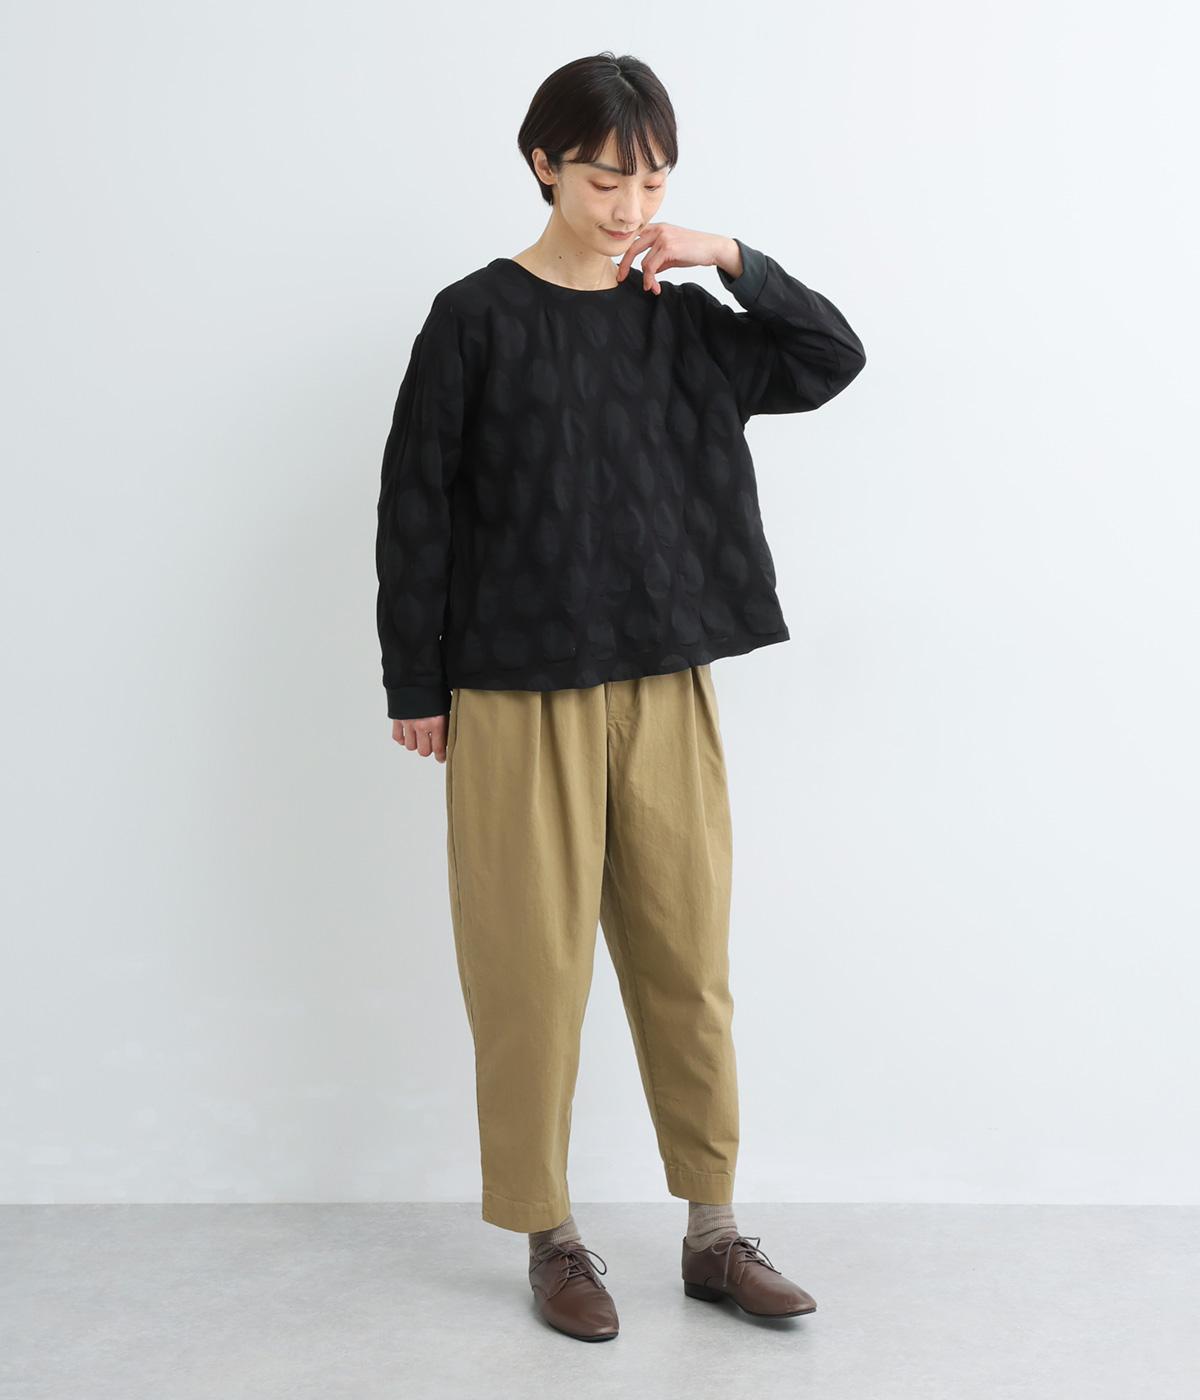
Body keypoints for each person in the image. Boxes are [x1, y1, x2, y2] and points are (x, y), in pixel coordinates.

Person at [375, 51, 866, 1342]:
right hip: (513, 690)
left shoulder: (680, 319)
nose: (632, 206)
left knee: (687, 966)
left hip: (664, 676)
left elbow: (831, 356)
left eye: (654, 182)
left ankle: (714, 1234)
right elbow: (415, 508)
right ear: (543, 164)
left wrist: (730, 256)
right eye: (606, 179)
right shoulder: (474, 318)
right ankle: (552, 1239)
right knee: (529, 978)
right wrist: (415, 678)